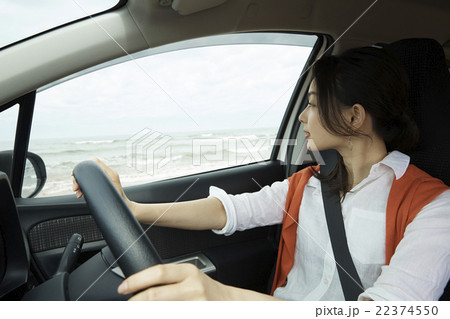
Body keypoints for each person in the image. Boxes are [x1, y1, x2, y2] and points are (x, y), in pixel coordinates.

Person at [73, 47, 450, 301]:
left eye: (314, 104)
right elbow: (229, 211)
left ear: (353, 117)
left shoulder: (434, 207)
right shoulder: (309, 183)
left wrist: (223, 297)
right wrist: (133, 208)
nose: (303, 116)